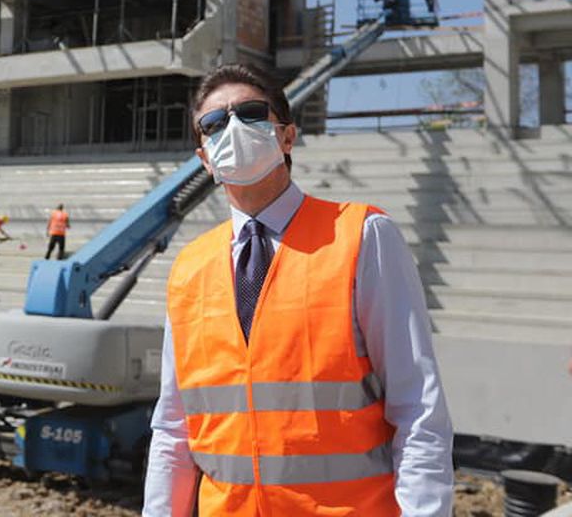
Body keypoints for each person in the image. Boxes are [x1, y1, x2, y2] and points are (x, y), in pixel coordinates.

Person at [143, 64, 453, 516]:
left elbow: (418, 408)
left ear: (287, 138)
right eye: (214, 123)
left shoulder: (361, 236)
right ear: (206, 159)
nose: (232, 128)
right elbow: (173, 428)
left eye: (250, 113)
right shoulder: (190, 268)